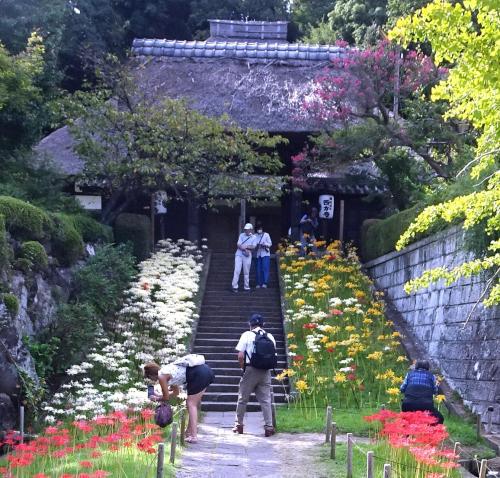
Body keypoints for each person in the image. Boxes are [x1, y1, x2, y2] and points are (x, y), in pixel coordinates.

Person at [144, 359, 215, 443]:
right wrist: (159, 396)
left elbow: (166, 398)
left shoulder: (161, 376)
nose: (151, 380)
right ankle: (189, 433)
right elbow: (176, 393)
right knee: (192, 404)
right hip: (205, 371)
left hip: (199, 374)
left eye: (149, 377)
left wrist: (156, 398)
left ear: (151, 374)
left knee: (191, 404)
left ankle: (194, 436)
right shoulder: (166, 371)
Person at [233, 314, 276, 437]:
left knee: (242, 398)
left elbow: (240, 356)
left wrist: (243, 368)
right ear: (263, 325)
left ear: (250, 324)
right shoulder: (270, 336)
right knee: (266, 400)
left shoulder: (246, 335)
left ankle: (238, 425)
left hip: (251, 369)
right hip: (266, 371)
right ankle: (269, 427)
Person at [400, 360, 444, 424]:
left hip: (408, 404)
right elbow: (435, 391)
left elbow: (402, 389)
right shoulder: (431, 376)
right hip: (425, 405)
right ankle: (429, 432)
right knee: (439, 418)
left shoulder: (409, 374)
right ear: (428, 368)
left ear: (416, 367)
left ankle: (406, 433)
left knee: (407, 423)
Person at [232, 223, 256, 293]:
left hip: (247, 255)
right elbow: (238, 244)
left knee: (246, 271)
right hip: (239, 254)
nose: (246, 231)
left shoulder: (254, 237)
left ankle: (246, 287)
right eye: (245, 229)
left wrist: (245, 247)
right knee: (237, 270)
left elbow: (253, 246)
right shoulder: (241, 235)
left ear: (251, 229)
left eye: (248, 229)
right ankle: (234, 286)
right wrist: (246, 247)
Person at [254, 221, 272, 289]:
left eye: (260, 228)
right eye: (258, 228)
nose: (259, 230)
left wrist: (265, 245)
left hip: (265, 253)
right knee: (258, 269)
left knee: (265, 268)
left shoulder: (266, 235)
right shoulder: (255, 235)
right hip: (258, 254)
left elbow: (270, 243)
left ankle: (265, 283)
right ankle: (258, 283)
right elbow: (254, 244)